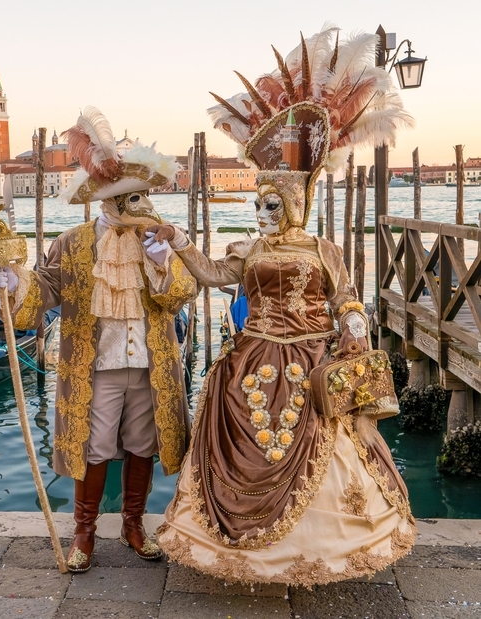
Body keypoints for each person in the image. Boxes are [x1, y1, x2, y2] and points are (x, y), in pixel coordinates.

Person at [153, 27, 417, 587]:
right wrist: (177, 240)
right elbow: (208, 274)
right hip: (254, 356)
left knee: (326, 443)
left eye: (272, 205)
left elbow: (346, 298)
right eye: (259, 205)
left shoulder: (324, 249)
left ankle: (323, 550)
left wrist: (350, 323)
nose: (263, 213)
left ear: (292, 204)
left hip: (312, 359)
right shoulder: (247, 251)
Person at [0, 107, 196, 572]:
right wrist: (15, 280)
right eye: (128, 199)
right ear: (106, 200)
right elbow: (44, 289)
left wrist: (165, 262)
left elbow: (183, 294)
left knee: (144, 443)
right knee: (93, 445)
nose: (137, 206)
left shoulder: (156, 240)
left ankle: (134, 524)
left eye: (139, 198)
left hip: (150, 363)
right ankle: (84, 532)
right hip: (94, 366)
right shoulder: (73, 243)